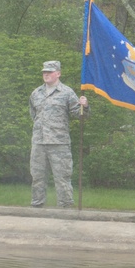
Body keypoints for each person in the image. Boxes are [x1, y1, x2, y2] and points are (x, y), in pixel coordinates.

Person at [29, 60, 89, 208]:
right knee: (37, 178)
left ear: (58, 73)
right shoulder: (36, 93)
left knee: (62, 178)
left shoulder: (67, 93)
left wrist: (85, 106)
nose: (46, 74)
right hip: (39, 142)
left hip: (59, 144)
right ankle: (36, 209)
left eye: (49, 71)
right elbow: (33, 115)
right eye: (44, 72)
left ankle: (66, 209)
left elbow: (79, 115)